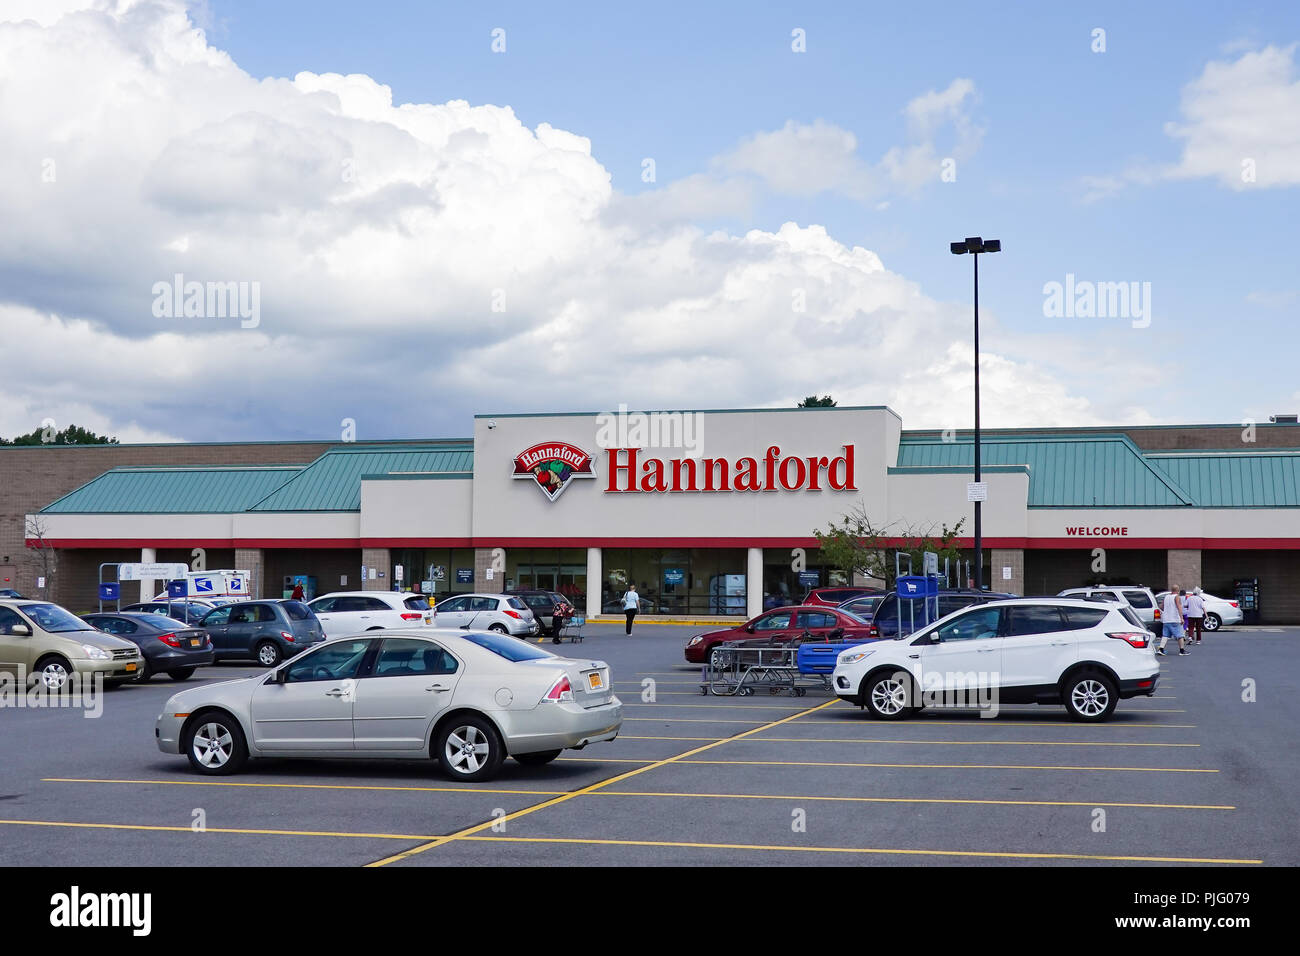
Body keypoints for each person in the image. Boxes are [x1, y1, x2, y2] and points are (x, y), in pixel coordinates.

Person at [1157, 586, 1189, 656]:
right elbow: (1179, 607)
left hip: (1166, 619)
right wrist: (1181, 618)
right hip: (1174, 619)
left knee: (1165, 635)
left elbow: (1161, 607)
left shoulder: (1166, 597)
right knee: (1180, 635)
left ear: (1171, 590)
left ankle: (1161, 649)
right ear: (1178, 590)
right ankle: (1182, 650)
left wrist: (1166, 611)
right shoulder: (1177, 597)